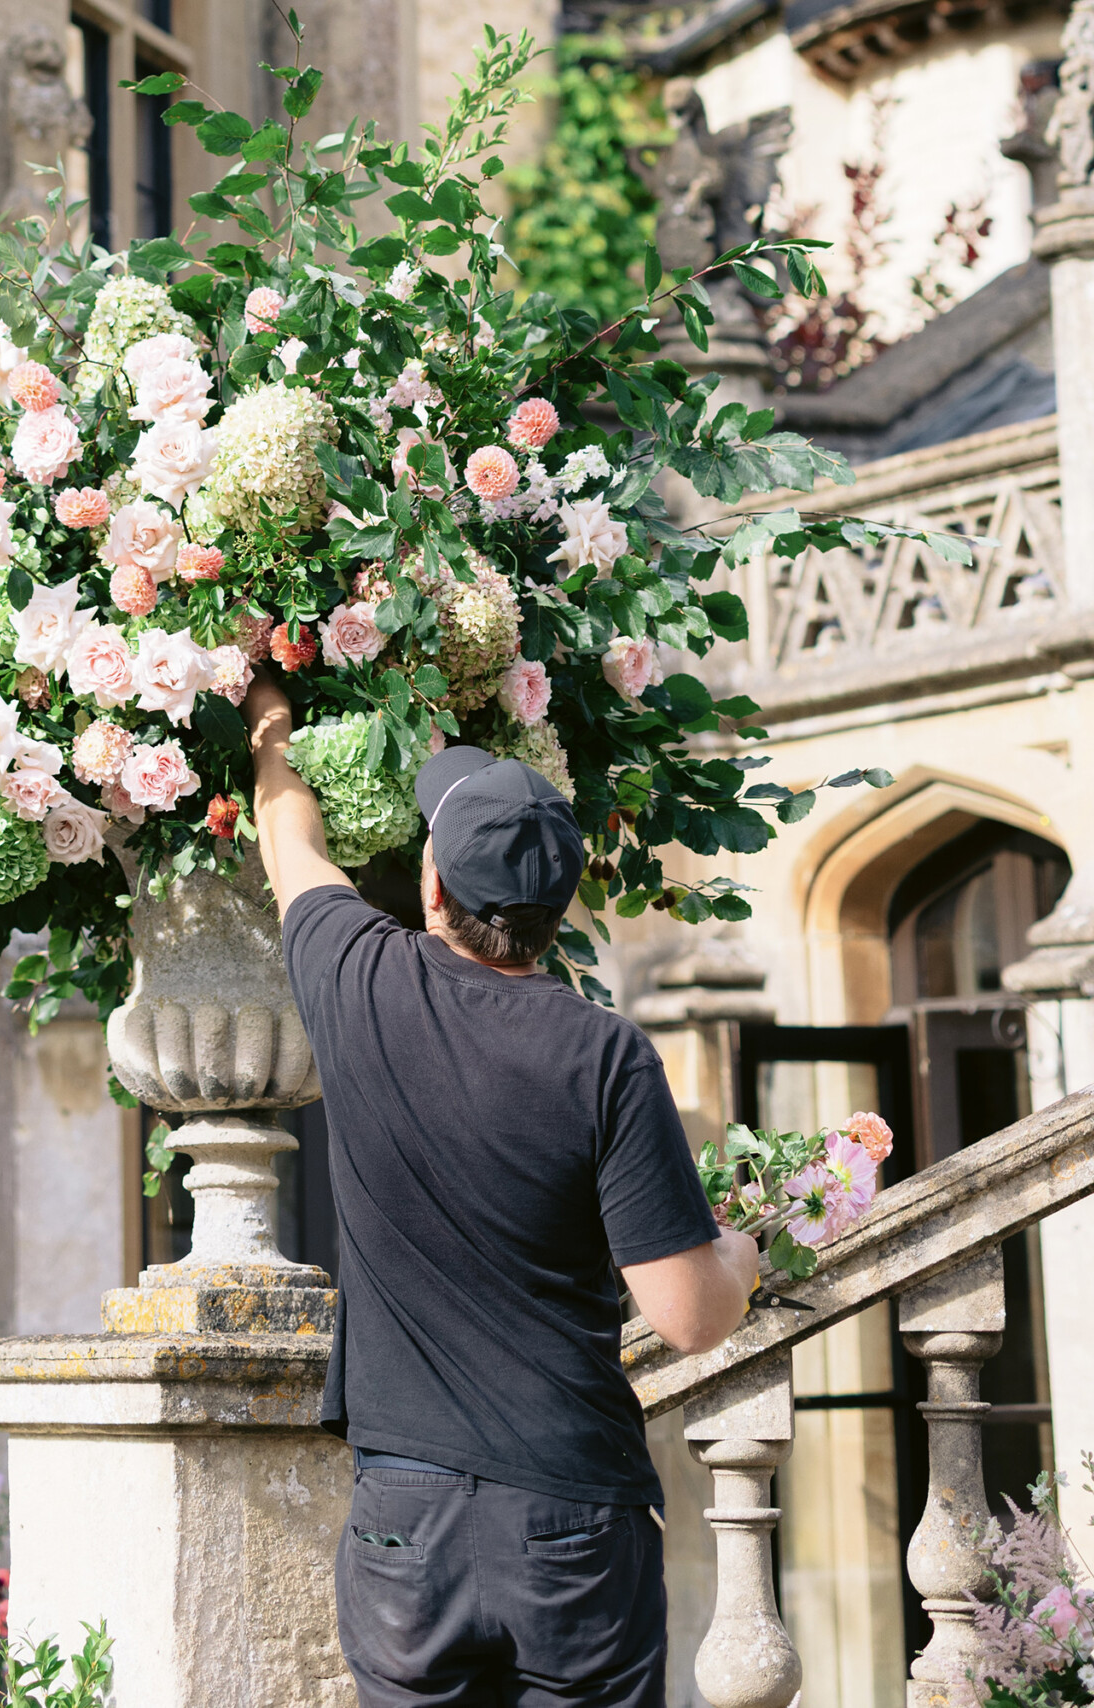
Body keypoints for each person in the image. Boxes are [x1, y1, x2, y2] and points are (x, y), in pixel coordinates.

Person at [244, 671, 761, 1708]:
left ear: (433, 886)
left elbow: (286, 833)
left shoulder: (360, 979)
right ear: (556, 902)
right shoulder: (604, 1055)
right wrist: (742, 1252)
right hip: (570, 1518)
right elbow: (689, 1315)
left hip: (404, 1524)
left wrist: (270, 708)